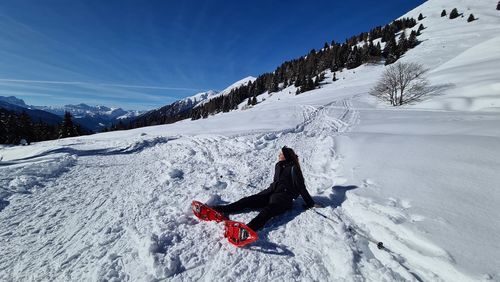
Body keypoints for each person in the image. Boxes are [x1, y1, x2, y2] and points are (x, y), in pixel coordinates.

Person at [213, 146, 317, 233]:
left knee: (268, 211)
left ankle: (248, 229)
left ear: (286, 156)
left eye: (281, 154)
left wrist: (310, 203)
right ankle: (222, 209)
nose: (279, 156)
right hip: (270, 192)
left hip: (284, 198)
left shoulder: (294, 168)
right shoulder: (278, 165)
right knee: (248, 200)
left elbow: (301, 187)